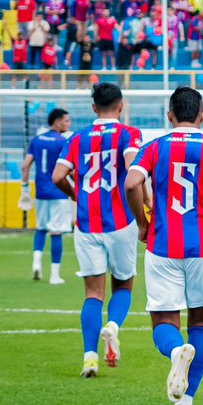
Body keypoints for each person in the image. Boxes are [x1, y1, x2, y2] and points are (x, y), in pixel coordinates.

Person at [125, 87, 203, 405]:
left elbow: (133, 184)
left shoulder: (153, 147)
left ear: (169, 116)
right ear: (202, 115)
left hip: (162, 246)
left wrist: (142, 224)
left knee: (164, 321)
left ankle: (176, 351)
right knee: (201, 323)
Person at [51, 83, 142, 377]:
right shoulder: (129, 134)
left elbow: (57, 176)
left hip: (87, 223)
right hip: (120, 221)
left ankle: (89, 356)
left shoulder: (76, 138)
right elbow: (133, 172)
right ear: (121, 106)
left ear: (93, 108)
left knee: (92, 293)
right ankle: (113, 326)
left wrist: (76, 193)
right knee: (123, 285)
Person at [19, 108, 72, 284]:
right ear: (56, 121)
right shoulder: (62, 142)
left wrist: (25, 189)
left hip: (40, 192)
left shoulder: (36, 140)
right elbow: (68, 170)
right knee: (56, 232)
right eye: (66, 120)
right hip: (59, 193)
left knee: (41, 228)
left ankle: (36, 264)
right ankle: (54, 275)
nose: (68, 124)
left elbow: (25, 166)